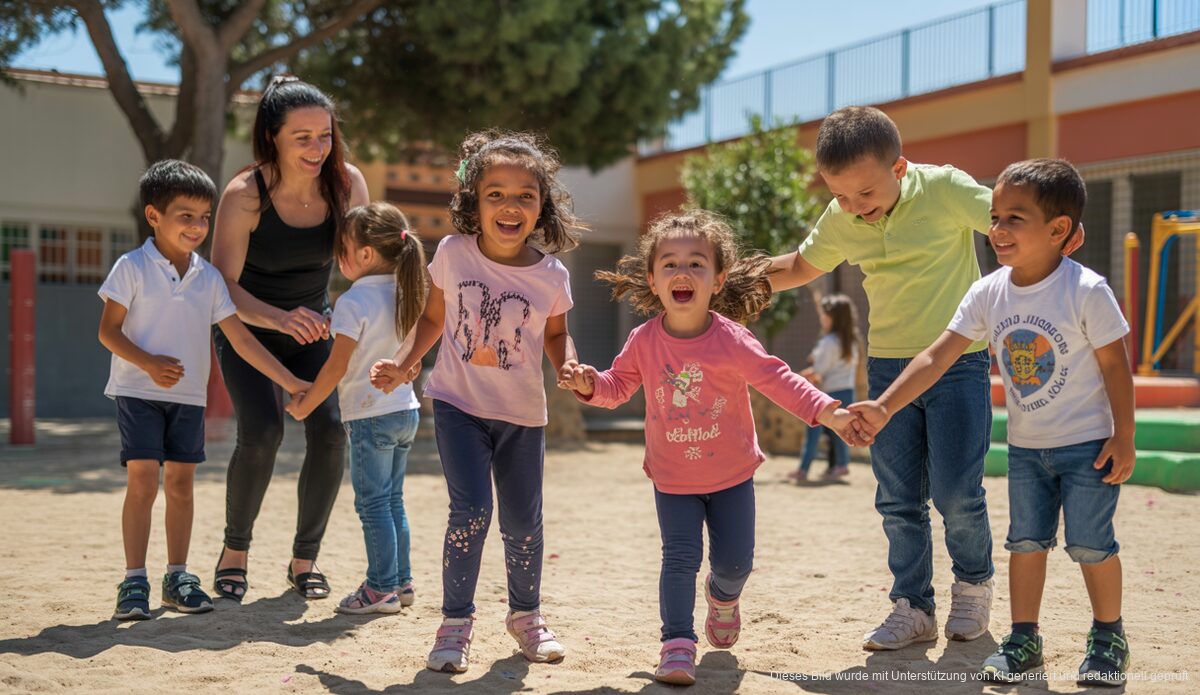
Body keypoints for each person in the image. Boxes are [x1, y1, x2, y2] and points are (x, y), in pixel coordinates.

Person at [766, 106, 1077, 650]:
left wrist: (1055, 242)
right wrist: (727, 275)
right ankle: (912, 606)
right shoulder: (841, 218)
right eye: (841, 196)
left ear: (900, 168)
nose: (854, 207)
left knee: (958, 492)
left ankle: (973, 589)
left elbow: (1007, 219)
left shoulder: (945, 190)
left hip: (959, 364)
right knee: (897, 498)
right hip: (887, 372)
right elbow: (798, 267)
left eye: (865, 193)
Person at [852, 159, 1134, 687]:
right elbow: (937, 357)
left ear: (1058, 231)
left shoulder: (1087, 290)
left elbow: (1117, 365)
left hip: (1088, 446)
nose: (997, 229)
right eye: (996, 216)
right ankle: (1024, 638)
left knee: (1092, 544)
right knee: (1024, 543)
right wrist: (885, 404)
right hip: (1028, 449)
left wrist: (1125, 435)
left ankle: (1108, 636)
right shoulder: (988, 292)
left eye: (1013, 219)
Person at [560, 210, 859, 686]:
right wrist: (588, 383)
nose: (683, 273)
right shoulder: (643, 340)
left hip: (732, 475)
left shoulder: (732, 339)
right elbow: (617, 386)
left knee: (735, 562)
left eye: (697, 264)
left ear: (718, 279)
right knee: (678, 558)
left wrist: (830, 412)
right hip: (673, 478)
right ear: (653, 280)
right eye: (670, 264)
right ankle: (677, 645)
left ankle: (723, 597)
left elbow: (779, 380)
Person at [370, 130, 581, 673]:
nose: (510, 206)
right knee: (470, 512)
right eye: (496, 194)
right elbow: (434, 318)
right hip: (458, 406)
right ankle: (455, 625)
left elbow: (556, 336)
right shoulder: (452, 253)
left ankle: (525, 617)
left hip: (522, 417)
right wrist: (405, 362)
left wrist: (568, 366)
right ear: (474, 202)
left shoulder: (551, 274)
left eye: (525, 196)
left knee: (524, 522)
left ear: (541, 206)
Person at [99, 160, 310, 620]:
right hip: (138, 392)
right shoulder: (130, 267)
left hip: (188, 398)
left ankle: (177, 576)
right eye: (185, 215)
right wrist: (149, 364)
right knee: (142, 483)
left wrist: (291, 381)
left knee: (181, 484)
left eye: (204, 217)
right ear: (153, 216)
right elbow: (108, 333)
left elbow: (240, 339)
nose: (197, 226)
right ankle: (134, 579)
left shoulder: (210, 278)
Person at [210, 76, 369, 602]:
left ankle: (305, 560)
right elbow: (222, 288)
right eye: (302, 137)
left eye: (324, 135)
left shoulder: (347, 185)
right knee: (261, 432)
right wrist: (278, 319)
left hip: (313, 328)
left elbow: (360, 267)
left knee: (329, 431)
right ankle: (235, 551)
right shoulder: (244, 195)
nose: (317, 148)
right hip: (248, 327)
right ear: (273, 136)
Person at [285, 202, 427, 615]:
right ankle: (401, 582)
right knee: (393, 499)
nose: (337, 257)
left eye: (342, 248)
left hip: (370, 416)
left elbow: (337, 365)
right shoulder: (407, 292)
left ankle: (380, 588)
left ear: (366, 254)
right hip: (405, 411)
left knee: (373, 504)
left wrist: (306, 404)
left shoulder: (353, 300)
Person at [789, 293, 861, 482]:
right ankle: (841, 465)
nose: (822, 318)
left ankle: (803, 469)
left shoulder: (829, 342)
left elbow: (819, 371)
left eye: (825, 314)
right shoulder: (851, 341)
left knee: (813, 431)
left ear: (834, 318)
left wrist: (795, 376)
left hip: (828, 394)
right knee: (841, 432)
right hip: (846, 390)